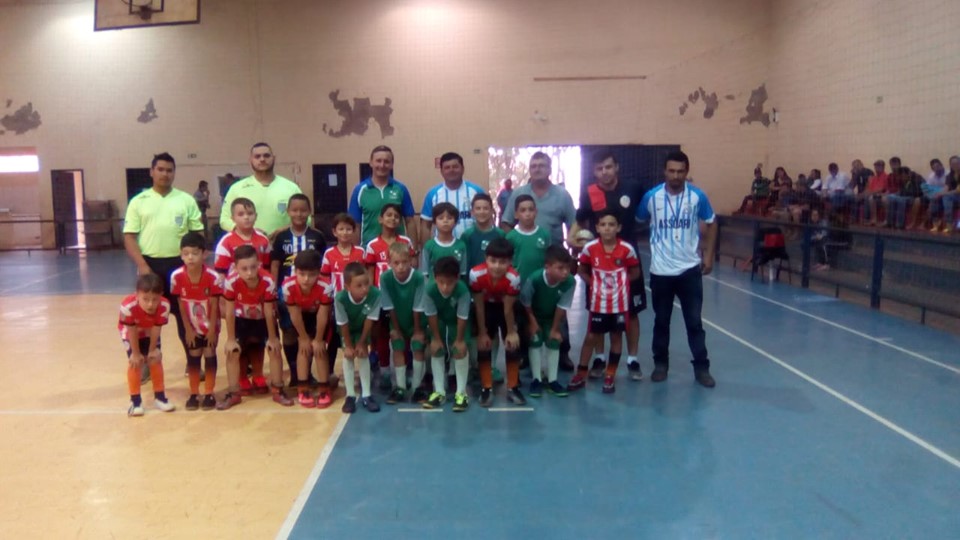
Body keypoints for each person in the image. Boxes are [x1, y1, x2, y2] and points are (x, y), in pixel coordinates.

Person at [636, 150, 717, 388]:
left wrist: (709, 255)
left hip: (689, 271)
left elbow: (712, 223)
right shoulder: (651, 197)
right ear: (664, 171)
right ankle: (661, 364)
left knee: (694, 322)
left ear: (686, 172)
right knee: (661, 321)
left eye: (680, 171)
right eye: (671, 171)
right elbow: (639, 219)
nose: (675, 175)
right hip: (661, 271)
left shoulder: (697, 197)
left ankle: (702, 368)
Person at [123, 152, 204, 382]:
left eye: (169, 170)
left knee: (185, 316)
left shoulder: (186, 200)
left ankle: (193, 362)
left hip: (180, 266)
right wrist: (142, 265)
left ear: (174, 173)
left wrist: (192, 263)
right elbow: (129, 236)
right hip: (150, 265)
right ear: (152, 171)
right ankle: (147, 363)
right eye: (160, 169)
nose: (165, 174)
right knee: (147, 318)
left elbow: (197, 234)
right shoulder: (139, 202)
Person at [568, 150, 647, 379]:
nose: (605, 172)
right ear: (595, 171)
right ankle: (600, 359)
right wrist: (572, 238)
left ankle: (632, 360)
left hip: (627, 259)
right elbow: (580, 219)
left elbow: (649, 206)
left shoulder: (632, 188)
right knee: (598, 311)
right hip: (599, 264)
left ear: (617, 167)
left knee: (631, 312)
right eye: (600, 168)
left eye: (609, 167)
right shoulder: (590, 193)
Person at [568, 211, 640, 393]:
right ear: (598, 228)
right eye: (603, 225)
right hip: (598, 303)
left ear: (618, 228)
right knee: (591, 336)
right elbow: (582, 270)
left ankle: (610, 375)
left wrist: (620, 285)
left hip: (619, 304)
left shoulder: (627, 249)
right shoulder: (590, 248)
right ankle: (581, 373)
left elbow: (635, 272)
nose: (607, 228)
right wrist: (593, 283)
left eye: (611, 224)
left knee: (616, 336)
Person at [217, 245, 293, 409]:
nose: (250, 273)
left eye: (253, 267)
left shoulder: (268, 281)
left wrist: (272, 338)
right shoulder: (231, 281)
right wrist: (230, 339)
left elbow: (268, 310)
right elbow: (229, 312)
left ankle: (278, 390)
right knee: (232, 352)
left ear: (259, 263)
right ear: (236, 268)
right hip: (241, 320)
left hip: (262, 320)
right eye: (244, 269)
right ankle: (234, 393)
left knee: (275, 349)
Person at [270, 193, 327, 387]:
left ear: (309, 212)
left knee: (309, 334)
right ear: (288, 212)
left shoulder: (317, 236)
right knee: (289, 332)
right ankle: (295, 373)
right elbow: (275, 266)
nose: (299, 214)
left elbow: (324, 266)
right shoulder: (281, 238)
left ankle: (307, 373)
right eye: (295, 210)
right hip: (286, 294)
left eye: (303, 210)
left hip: (312, 294)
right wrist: (274, 293)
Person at [169, 232, 223, 411]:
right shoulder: (176, 276)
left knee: (209, 354)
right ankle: (193, 393)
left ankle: (209, 393)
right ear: (181, 254)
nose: (190, 257)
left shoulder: (213, 277)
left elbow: (215, 305)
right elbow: (180, 305)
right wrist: (188, 330)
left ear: (204, 254)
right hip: (191, 326)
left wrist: (212, 330)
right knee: (193, 357)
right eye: (186, 253)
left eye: (195, 253)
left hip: (209, 326)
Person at [365, 203, 416, 389]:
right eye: (388, 215)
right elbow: (369, 275)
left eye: (396, 215)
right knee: (382, 336)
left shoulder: (406, 242)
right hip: (380, 299)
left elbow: (412, 269)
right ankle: (385, 372)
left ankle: (408, 372)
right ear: (380, 219)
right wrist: (371, 296)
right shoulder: (372, 246)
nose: (392, 218)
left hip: (402, 298)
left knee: (405, 336)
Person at [470, 238, 524, 408]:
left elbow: (508, 309)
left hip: (506, 307)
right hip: (485, 307)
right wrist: (482, 332)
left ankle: (513, 386)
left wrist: (511, 332)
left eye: (503, 262)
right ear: (486, 259)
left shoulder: (513, 277)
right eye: (493, 261)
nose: (497, 266)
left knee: (512, 344)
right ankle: (486, 387)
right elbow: (478, 306)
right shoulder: (475, 274)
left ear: (510, 262)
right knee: (484, 345)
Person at [281, 250, 335, 409]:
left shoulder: (326, 286)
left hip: (318, 316)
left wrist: (318, 339)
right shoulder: (288, 286)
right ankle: (303, 388)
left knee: (319, 349)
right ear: (295, 271)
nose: (306, 279)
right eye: (301, 274)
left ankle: (324, 388)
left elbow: (323, 315)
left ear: (319, 273)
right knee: (303, 349)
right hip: (299, 316)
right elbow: (294, 314)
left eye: (311, 275)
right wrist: (303, 337)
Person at [417, 256, 472, 411]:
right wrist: (435, 338)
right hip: (439, 322)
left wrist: (460, 340)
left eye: (449, 283)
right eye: (441, 282)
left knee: (460, 351)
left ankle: (461, 393)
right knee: (436, 349)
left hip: (457, 323)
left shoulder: (463, 291)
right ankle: (439, 391)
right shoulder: (429, 290)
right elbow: (431, 315)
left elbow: (462, 316)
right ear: (435, 278)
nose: (445, 287)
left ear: (457, 278)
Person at [520, 245, 574, 398]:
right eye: (560, 268)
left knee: (554, 340)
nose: (565, 272)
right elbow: (526, 302)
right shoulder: (535, 279)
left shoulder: (569, 282)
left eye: (567, 268)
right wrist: (532, 323)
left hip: (552, 317)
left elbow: (561, 307)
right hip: (533, 315)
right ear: (547, 267)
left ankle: (552, 380)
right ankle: (536, 379)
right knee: (535, 339)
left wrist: (555, 329)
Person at [379, 242, 429, 404]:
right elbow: (388, 305)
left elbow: (418, 306)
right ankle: (400, 387)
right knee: (398, 346)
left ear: (411, 261)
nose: (401, 267)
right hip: (397, 320)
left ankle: (417, 388)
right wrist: (396, 329)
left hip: (416, 320)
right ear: (389, 263)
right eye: (396, 263)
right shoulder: (385, 278)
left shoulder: (418, 277)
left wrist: (417, 331)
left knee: (417, 347)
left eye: (404, 262)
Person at [119, 273, 176, 416]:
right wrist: (136, 353)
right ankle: (135, 401)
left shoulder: (164, 306)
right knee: (135, 362)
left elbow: (157, 328)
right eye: (145, 299)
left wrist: (152, 350)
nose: (150, 304)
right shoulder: (127, 306)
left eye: (154, 299)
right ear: (136, 295)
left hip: (150, 329)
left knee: (155, 359)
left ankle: (160, 397)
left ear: (161, 296)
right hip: (131, 331)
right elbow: (131, 329)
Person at [219, 142, 304, 236]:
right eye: (257, 156)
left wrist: (285, 230)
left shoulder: (291, 188)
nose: (262, 159)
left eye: (266, 155)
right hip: (249, 248)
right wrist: (249, 231)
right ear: (250, 160)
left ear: (274, 158)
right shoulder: (237, 189)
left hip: (284, 246)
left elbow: (306, 218)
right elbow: (224, 220)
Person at [334, 262, 383, 413]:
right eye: (359, 285)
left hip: (363, 328)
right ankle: (350, 395)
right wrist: (348, 345)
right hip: (347, 329)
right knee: (348, 356)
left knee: (363, 354)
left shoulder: (375, 294)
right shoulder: (340, 298)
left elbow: (370, 320)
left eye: (366, 283)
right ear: (348, 286)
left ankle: (367, 395)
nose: (364, 288)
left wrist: (362, 343)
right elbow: (343, 323)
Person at [501, 152, 577, 248]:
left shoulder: (562, 195)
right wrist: (516, 243)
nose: (537, 169)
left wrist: (572, 244)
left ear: (549, 170)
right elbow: (506, 223)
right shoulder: (518, 193)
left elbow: (574, 225)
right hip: (524, 253)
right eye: (533, 166)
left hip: (553, 256)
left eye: (541, 166)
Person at [348, 145, 418, 247]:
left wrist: (414, 251)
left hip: (399, 253)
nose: (382, 165)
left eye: (386, 161)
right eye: (378, 161)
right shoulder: (359, 190)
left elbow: (410, 222)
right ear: (371, 162)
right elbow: (355, 225)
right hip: (369, 253)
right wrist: (356, 254)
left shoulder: (401, 189)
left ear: (392, 165)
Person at [419, 152, 485, 243]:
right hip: (442, 250)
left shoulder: (476, 191)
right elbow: (425, 225)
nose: (451, 170)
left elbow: (488, 219)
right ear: (441, 171)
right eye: (447, 168)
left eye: (455, 167)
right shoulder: (433, 194)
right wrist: (425, 251)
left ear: (463, 169)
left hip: (472, 247)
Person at [214, 198, 272, 274]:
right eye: (241, 214)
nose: (246, 217)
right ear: (233, 218)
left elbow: (267, 267)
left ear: (256, 216)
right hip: (235, 284)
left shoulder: (264, 240)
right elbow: (220, 272)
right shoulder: (225, 242)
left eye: (250, 213)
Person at [506, 195, 551, 280]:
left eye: (531, 209)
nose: (527, 214)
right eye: (523, 210)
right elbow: (508, 263)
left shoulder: (544, 234)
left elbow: (549, 261)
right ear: (516, 214)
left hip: (539, 283)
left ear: (536, 212)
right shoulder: (511, 237)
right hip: (518, 282)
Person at [321, 213, 366, 292]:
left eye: (348, 229)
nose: (345, 232)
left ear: (353, 231)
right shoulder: (329, 253)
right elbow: (325, 277)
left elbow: (366, 274)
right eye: (341, 229)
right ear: (334, 232)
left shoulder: (361, 252)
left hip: (357, 297)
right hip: (336, 298)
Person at [420, 202, 467, 277]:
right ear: (434, 222)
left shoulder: (461, 245)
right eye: (441, 218)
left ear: (455, 222)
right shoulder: (429, 246)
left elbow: (462, 272)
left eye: (449, 218)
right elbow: (425, 273)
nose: (445, 221)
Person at [461, 193, 506, 271]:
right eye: (478, 208)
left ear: (492, 211)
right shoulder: (467, 235)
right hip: (472, 280)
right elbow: (464, 262)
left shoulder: (500, 234)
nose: (482, 212)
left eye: (485, 208)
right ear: (472, 212)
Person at [931, 155, 960, 233]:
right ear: (950, 165)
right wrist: (938, 194)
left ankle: (949, 223)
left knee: (947, 197)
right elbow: (946, 188)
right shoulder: (949, 176)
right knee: (934, 198)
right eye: (953, 164)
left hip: (956, 194)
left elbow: (958, 190)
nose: (955, 165)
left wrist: (945, 194)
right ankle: (936, 223)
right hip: (954, 196)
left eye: (957, 163)